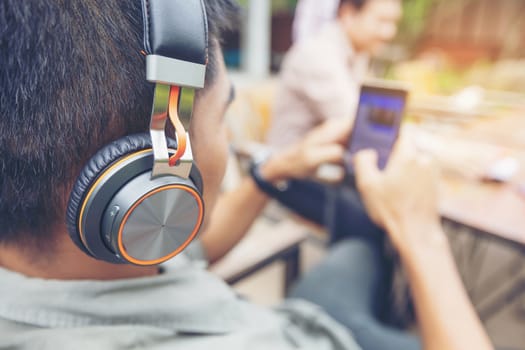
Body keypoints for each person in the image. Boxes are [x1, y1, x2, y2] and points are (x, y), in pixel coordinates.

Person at [0, 1, 493, 350]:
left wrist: (272, 171)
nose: (229, 140)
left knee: (357, 252)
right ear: (149, 185)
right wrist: (422, 235)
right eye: (224, 117)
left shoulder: (89, 263)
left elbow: (187, 254)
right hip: (303, 329)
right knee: (367, 246)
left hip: (253, 304)